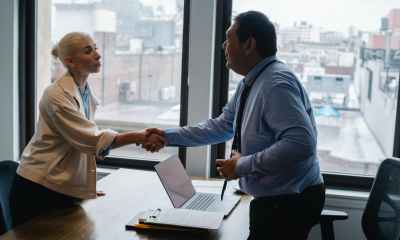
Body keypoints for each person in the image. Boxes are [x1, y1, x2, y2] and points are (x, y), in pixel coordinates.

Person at [144, 11, 325, 239]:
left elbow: (300, 144)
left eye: (228, 39)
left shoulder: (276, 84)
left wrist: (241, 166)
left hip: (288, 203)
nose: (223, 46)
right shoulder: (252, 81)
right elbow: (221, 126)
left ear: (249, 44)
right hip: (276, 200)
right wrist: (167, 136)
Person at [10, 32, 164, 227]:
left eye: (96, 48)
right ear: (70, 61)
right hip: (38, 188)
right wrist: (139, 136)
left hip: (60, 185)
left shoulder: (83, 90)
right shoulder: (56, 95)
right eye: (88, 50)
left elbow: (83, 143)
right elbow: (90, 140)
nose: (98, 55)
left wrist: (83, 187)